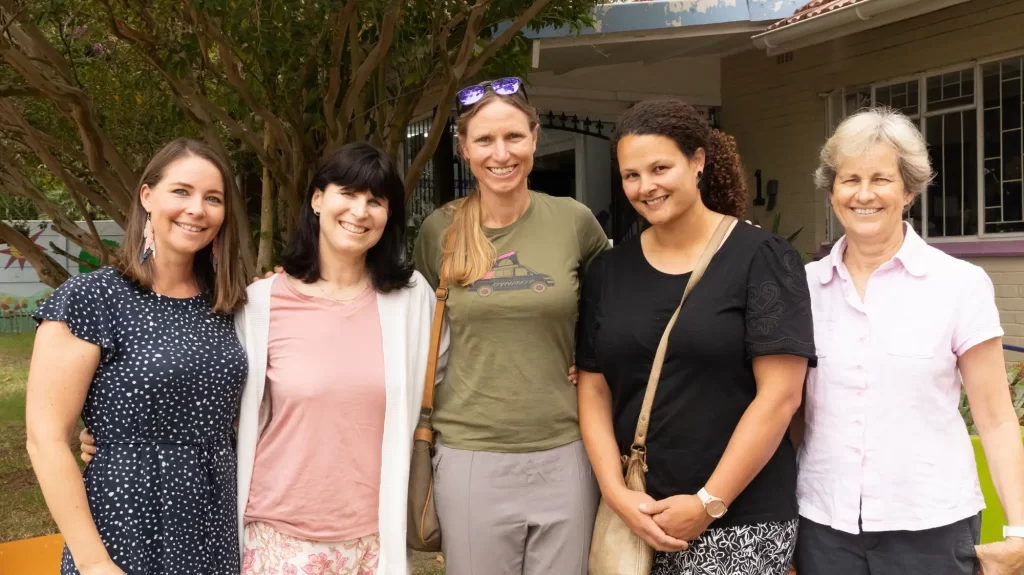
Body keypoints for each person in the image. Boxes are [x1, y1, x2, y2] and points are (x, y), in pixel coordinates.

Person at [81, 142, 445, 575]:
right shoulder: (259, 304)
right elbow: (213, 398)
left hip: (376, 539)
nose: (360, 211)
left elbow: (442, 392)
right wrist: (118, 435)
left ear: (389, 215)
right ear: (317, 200)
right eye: (347, 194)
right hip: (278, 537)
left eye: (376, 201)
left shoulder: (412, 301)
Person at [576, 98, 815, 575]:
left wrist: (709, 501)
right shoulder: (607, 272)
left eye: (660, 168)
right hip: (636, 520)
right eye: (631, 175)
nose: (646, 186)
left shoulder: (762, 258)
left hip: (741, 521)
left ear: (698, 161)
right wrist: (616, 493)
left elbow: (781, 397)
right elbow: (593, 388)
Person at [794, 107, 1024, 575]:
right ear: (832, 192)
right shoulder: (803, 287)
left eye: (881, 179)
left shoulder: (959, 284)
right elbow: (789, 410)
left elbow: (997, 417)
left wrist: (1020, 529)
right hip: (824, 524)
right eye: (849, 179)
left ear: (909, 190)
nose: (864, 194)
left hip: (931, 526)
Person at [411, 76, 609, 575]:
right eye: (484, 140)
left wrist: (596, 357)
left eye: (514, 136)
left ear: (535, 138)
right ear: (464, 149)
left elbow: (615, 305)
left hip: (566, 448)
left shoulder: (573, 221)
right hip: (470, 453)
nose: (501, 153)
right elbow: (408, 321)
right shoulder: (439, 232)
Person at [26, 139, 250, 575]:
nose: (197, 209)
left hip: (214, 522)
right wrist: (94, 562)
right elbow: (45, 437)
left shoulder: (229, 305)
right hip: (126, 523)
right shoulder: (93, 298)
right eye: (181, 191)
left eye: (213, 198)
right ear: (147, 196)